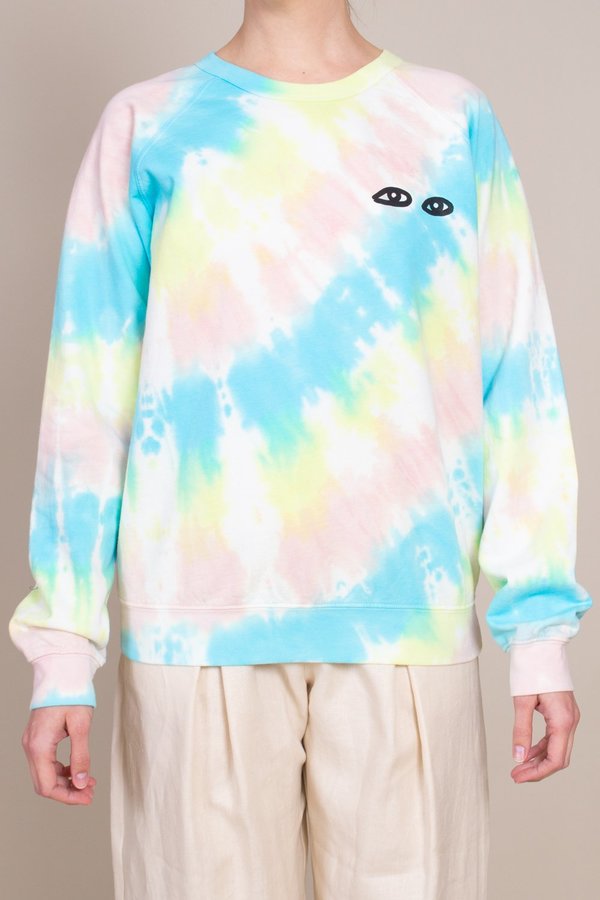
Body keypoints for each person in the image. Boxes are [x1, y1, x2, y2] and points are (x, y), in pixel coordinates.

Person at [9, 1, 592, 897]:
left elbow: (517, 375)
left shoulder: (450, 118)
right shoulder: (148, 124)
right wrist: (62, 649)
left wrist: (539, 628)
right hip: (197, 623)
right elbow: (88, 399)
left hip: (407, 621)